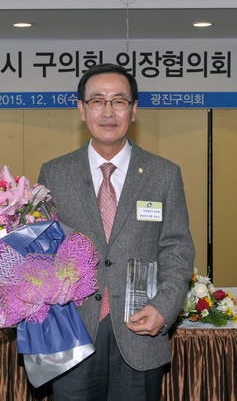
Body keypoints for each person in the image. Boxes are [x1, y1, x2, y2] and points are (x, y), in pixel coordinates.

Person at [38, 63, 194, 401]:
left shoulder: (163, 173)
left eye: (119, 101)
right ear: (81, 110)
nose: (108, 112)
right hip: (73, 329)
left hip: (141, 327)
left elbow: (177, 248)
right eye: (97, 101)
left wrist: (165, 307)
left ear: (133, 110)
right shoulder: (55, 173)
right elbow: (42, 251)